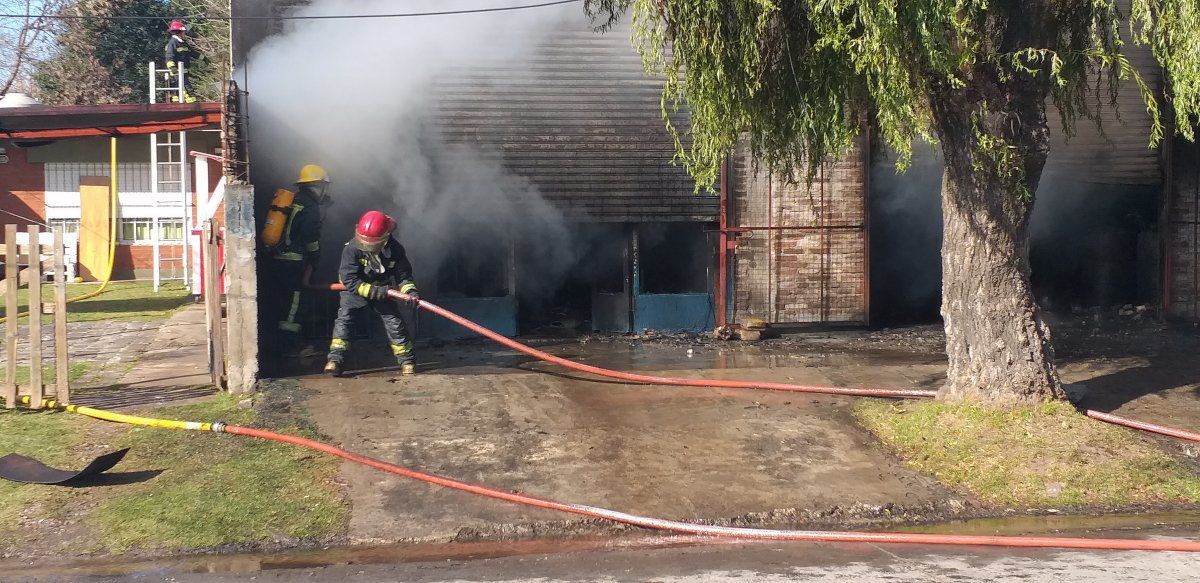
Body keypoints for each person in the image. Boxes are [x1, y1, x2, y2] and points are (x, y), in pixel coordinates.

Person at [325, 210, 420, 377]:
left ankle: (407, 362)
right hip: (354, 290)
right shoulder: (352, 248)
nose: (366, 247)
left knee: (395, 324)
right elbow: (349, 280)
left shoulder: (395, 250)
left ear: (385, 238)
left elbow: (403, 276)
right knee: (345, 321)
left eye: (371, 244)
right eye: (364, 242)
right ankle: (335, 361)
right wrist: (375, 291)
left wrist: (410, 292)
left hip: (382, 289)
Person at [269, 164, 332, 358]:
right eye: (323, 186)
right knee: (294, 305)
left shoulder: (295, 201)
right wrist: (316, 256)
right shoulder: (310, 207)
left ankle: (283, 344)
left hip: (279, 259)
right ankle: (289, 347)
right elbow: (310, 237)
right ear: (317, 186)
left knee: (284, 303)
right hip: (293, 263)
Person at [164, 20, 196, 103]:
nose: (185, 33)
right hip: (177, 71)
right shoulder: (172, 43)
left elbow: (192, 52)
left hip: (184, 71)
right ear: (179, 32)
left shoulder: (183, 43)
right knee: (186, 87)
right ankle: (192, 103)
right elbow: (169, 57)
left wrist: (203, 58)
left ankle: (176, 101)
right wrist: (172, 67)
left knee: (179, 87)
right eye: (184, 32)